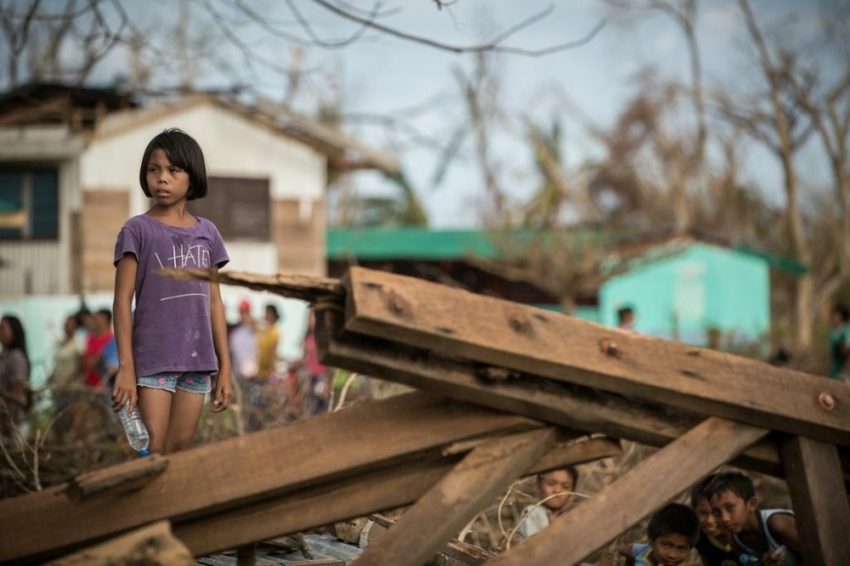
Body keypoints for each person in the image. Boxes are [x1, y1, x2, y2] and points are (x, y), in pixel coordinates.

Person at [111, 128, 232, 455]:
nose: (161, 178)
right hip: (153, 361)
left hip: (198, 362)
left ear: (191, 178)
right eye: (154, 169)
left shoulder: (208, 233)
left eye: (172, 170)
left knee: (180, 453)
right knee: (154, 450)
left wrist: (226, 368)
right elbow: (122, 302)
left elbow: (215, 304)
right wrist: (126, 367)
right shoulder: (137, 230)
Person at [704, 471, 801, 566]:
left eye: (730, 508)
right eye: (717, 512)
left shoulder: (778, 524)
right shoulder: (735, 540)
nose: (724, 519)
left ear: (752, 504)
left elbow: (814, 554)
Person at [618, 503, 700, 566]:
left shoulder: (648, 549)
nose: (672, 555)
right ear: (651, 539)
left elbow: (624, 550)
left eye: (681, 548)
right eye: (666, 545)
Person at [518, 467, 579, 541]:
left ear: (572, 494)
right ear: (537, 486)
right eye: (551, 484)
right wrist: (553, 530)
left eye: (565, 487)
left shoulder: (570, 519)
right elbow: (530, 546)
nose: (557, 490)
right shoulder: (532, 512)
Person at [48, 314, 84, 438]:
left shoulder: (78, 345)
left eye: (70, 324)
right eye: (66, 324)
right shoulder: (61, 343)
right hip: (57, 387)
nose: (67, 327)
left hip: (70, 388)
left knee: (67, 416)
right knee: (57, 417)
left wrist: (70, 381)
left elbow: (81, 366)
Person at [690, 476, 737, 566]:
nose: (710, 521)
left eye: (716, 512)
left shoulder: (744, 537)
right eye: (703, 513)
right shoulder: (700, 538)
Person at [0, 315, 31, 442]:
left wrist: (8, 420)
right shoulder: (6, 356)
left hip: (14, 423)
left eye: (2, 328)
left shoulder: (16, 356)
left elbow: (17, 388)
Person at [82, 309, 113, 389]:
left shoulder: (112, 340)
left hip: (103, 387)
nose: (94, 321)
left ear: (105, 320)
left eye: (97, 318)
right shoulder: (90, 338)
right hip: (88, 384)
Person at [827, 304, 850, 381]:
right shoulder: (832, 333)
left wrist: (843, 371)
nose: (834, 318)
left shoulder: (846, 331)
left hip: (845, 371)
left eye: (837, 316)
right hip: (836, 369)